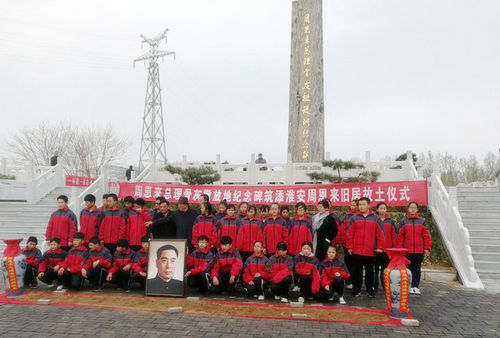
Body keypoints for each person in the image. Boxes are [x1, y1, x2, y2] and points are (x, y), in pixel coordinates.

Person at [346, 197, 385, 297]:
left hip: (370, 251)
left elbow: (381, 234)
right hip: (357, 250)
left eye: (363, 204)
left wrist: (380, 247)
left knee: (370, 272)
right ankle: (357, 289)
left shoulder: (376, 219)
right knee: (357, 272)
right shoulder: (354, 218)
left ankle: (369, 290)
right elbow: (349, 234)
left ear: (368, 205)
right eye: (360, 205)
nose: (361, 206)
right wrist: (350, 247)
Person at [397, 201, 432, 295]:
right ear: (408, 209)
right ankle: (408, 286)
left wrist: (427, 248)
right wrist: (400, 249)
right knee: (408, 269)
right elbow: (400, 237)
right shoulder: (403, 221)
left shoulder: (422, 221)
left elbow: (426, 236)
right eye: (411, 207)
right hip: (407, 251)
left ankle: (415, 286)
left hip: (419, 250)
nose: (412, 209)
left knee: (417, 268)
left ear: (417, 209)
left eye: (414, 207)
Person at [374, 202, 397, 293]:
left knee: (385, 270)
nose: (383, 210)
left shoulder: (390, 221)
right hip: (377, 249)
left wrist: (394, 249)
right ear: (377, 209)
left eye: (384, 208)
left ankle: (385, 286)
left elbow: (394, 236)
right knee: (375, 269)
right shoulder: (374, 219)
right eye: (381, 208)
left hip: (387, 251)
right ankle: (374, 286)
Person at [342, 199, 359, 289]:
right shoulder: (346, 216)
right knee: (348, 264)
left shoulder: (360, 216)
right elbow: (343, 229)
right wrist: (342, 241)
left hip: (357, 245)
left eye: (353, 205)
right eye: (351, 205)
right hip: (347, 244)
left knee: (356, 265)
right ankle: (348, 281)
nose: (351, 207)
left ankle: (356, 281)